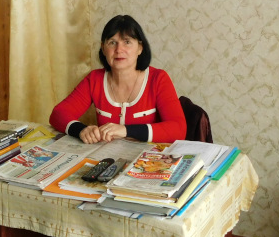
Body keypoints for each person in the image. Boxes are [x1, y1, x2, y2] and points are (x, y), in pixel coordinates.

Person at [50, 14, 187, 144]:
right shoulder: (95, 79)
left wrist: (126, 130)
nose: (119, 50)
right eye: (112, 43)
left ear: (140, 48)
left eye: (127, 42)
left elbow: (178, 129)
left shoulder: (158, 79)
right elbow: (58, 114)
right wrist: (81, 130)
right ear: (103, 48)